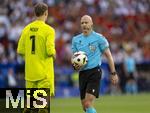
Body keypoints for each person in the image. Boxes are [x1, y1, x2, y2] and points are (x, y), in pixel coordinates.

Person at [71, 15, 119, 113]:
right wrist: (76, 65)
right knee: (85, 107)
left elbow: (109, 55)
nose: (84, 25)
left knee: (88, 103)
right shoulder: (76, 40)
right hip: (82, 74)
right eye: (82, 23)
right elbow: (74, 59)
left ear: (91, 24)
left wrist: (113, 73)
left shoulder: (99, 38)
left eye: (86, 22)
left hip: (94, 72)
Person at [17, 2, 56, 113]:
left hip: (30, 73)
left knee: (29, 108)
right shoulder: (49, 30)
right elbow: (49, 51)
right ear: (46, 13)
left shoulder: (26, 29)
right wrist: (55, 54)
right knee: (43, 108)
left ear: (35, 13)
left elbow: (20, 50)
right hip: (44, 74)